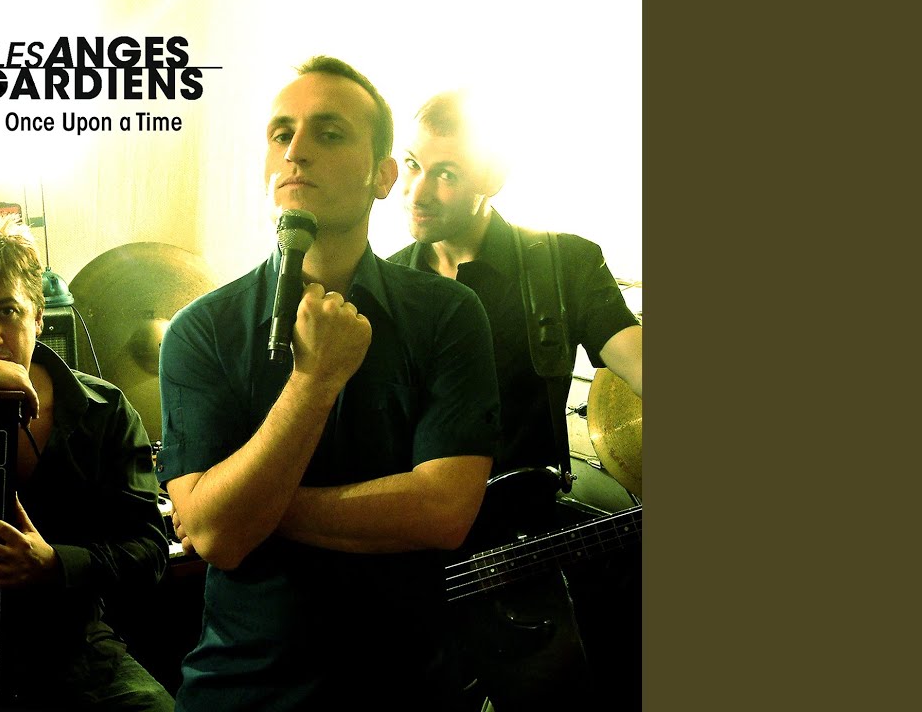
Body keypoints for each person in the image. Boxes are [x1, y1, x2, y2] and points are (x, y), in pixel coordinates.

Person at [156, 56, 500, 710]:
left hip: (406, 694)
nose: (295, 151)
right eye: (281, 133)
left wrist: (245, 505)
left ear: (383, 176)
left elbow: (444, 510)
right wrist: (314, 381)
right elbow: (218, 539)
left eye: (330, 132)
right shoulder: (201, 330)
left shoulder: (449, 315)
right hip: (243, 692)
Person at [387, 90, 644, 709]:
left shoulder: (563, 263)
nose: (417, 191)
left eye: (447, 174)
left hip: (529, 556)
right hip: (415, 566)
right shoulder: (386, 286)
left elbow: (639, 359)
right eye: (413, 164)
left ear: (491, 181)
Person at [0, 214, 174, 712]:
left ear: (38, 317)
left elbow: (150, 551)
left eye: (7, 311)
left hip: (71, 649)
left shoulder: (105, 410)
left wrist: (56, 564)